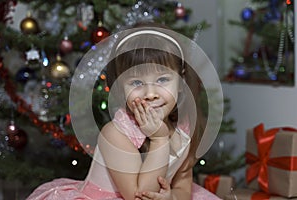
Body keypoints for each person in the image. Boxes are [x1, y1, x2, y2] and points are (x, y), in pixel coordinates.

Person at [26, 22, 221, 200]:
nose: (151, 94)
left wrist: (172, 198)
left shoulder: (182, 129)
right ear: (120, 88)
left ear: (181, 82)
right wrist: (159, 139)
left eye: (162, 80)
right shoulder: (116, 134)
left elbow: (183, 186)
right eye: (136, 82)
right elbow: (139, 196)